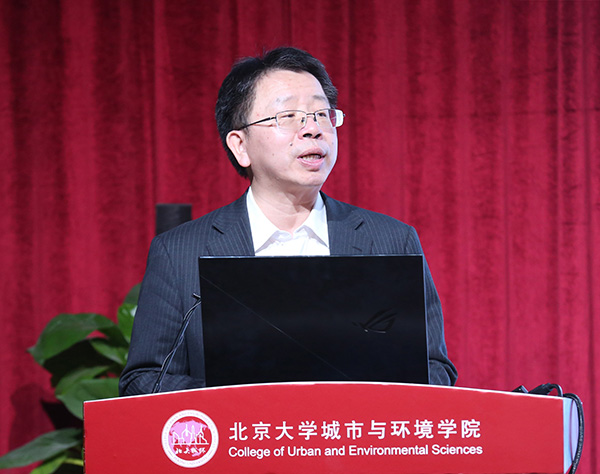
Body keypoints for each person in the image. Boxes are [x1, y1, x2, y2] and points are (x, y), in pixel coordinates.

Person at [119, 47, 457, 396]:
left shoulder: (392, 241)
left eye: (321, 114)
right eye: (289, 116)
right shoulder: (180, 253)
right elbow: (144, 380)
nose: (313, 129)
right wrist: (250, 402)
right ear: (240, 145)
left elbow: (433, 368)